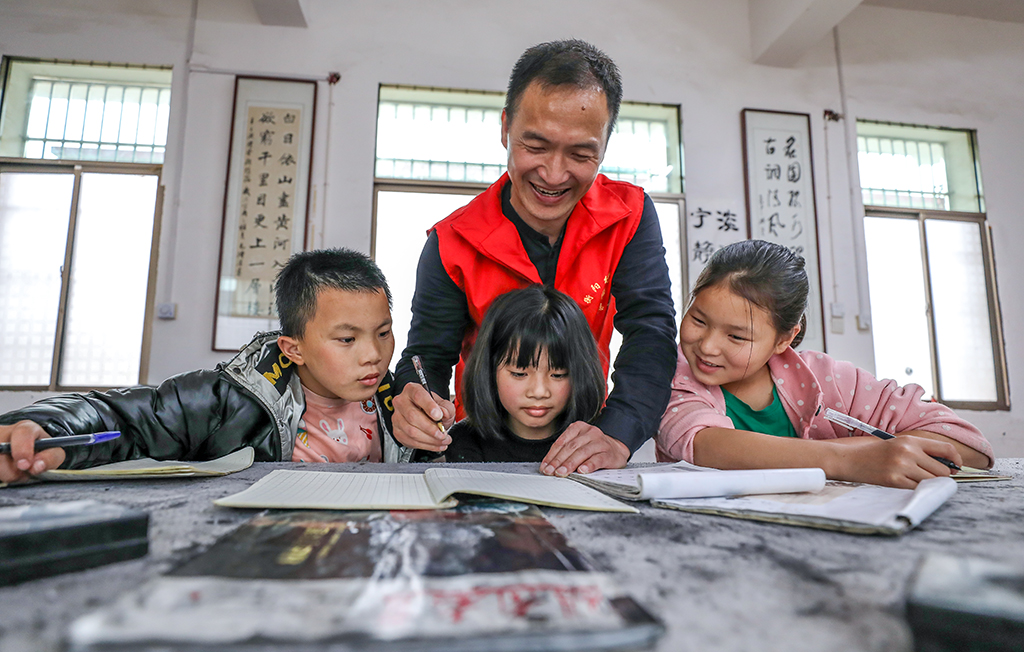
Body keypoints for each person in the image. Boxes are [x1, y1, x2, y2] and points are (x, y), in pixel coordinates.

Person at [392, 39, 677, 477]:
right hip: (481, 450)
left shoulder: (629, 216)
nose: (554, 174)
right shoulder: (453, 241)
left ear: (605, 145)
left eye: (581, 154)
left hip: (584, 448)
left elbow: (651, 330)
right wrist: (414, 396)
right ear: (506, 128)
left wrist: (618, 431)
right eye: (536, 146)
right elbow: (428, 356)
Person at [0, 249, 414, 484]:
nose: (373, 355)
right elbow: (125, 417)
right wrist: (42, 427)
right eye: (347, 339)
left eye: (383, 333)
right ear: (294, 349)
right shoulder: (227, 401)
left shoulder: (400, 405)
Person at [656, 239, 994, 489]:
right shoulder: (671, 373)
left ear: (784, 339)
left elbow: (966, 442)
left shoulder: (826, 380)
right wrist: (854, 459)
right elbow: (704, 445)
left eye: (737, 337)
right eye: (698, 320)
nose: (707, 346)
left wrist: (884, 456)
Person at [443, 285, 605, 464]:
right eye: (519, 373)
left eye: (558, 375)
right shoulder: (464, 441)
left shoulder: (595, 441)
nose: (539, 392)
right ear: (489, 370)